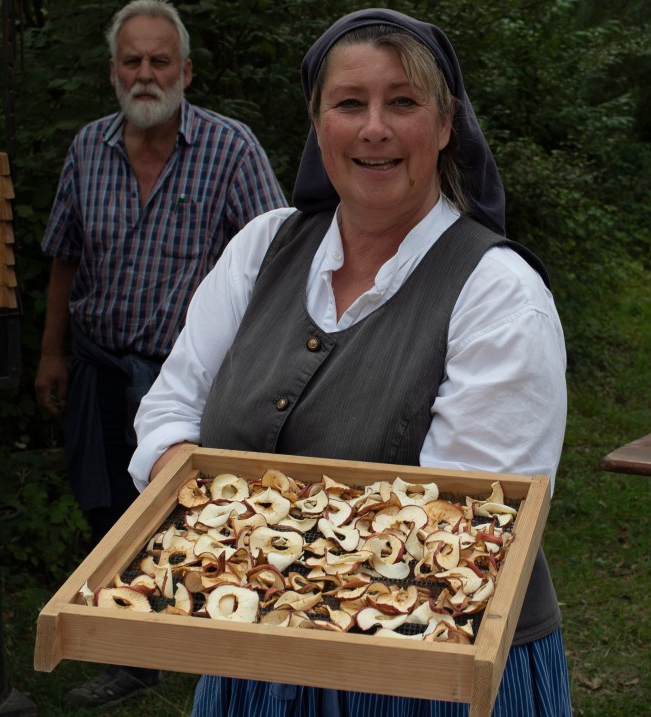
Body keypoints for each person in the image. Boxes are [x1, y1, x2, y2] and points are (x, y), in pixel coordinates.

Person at [129, 7, 572, 716]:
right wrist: (185, 478)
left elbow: (470, 524)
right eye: (349, 104)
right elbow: (171, 405)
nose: (374, 128)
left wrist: (232, 524)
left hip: (428, 673)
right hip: (253, 653)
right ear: (317, 125)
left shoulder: (497, 292)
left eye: (403, 101)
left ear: (446, 123)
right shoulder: (264, 247)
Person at [34, 0, 286, 707]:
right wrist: (51, 353)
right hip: (99, 364)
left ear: (186, 71)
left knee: (191, 515)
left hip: (191, 380)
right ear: (113, 71)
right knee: (107, 508)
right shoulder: (89, 147)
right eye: (132, 60)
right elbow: (64, 257)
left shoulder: (230, 148)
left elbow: (275, 258)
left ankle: (221, 645)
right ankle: (134, 659)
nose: (146, 74)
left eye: (160, 60)